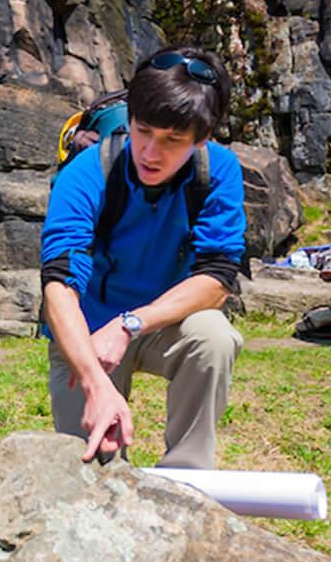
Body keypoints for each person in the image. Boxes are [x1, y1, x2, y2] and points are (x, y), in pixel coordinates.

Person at [39, 46, 247, 467]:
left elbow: (217, 278)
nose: (151, 152)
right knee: (95, 468)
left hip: (160, 324)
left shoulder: (219, 171)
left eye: (173, 141)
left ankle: (188, 474)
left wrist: (131, 324)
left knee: (213, 337)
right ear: (130, 119)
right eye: (143, 131)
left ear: (202, 138)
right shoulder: (87, 172)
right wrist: (96, 382)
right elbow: (59, 284)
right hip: (87, 332)